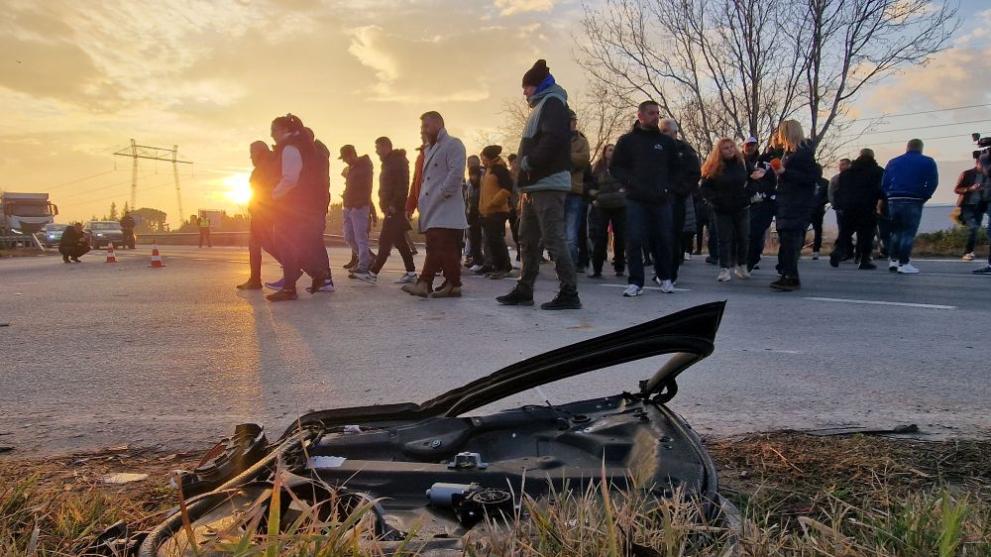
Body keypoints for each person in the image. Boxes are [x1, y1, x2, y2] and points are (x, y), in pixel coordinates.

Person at [497, 59, 581, 310]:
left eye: (527, 87)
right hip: (535, 186)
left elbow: (554, 138)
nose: (524, 92)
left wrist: (530, 162)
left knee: (553, 238)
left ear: (539, 85)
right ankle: (525, 289)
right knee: (527, 238)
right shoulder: (542, 105)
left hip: (547, 183)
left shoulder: (553, 103)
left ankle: (569, 292)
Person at [609, 100, 681, 297]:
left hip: (661, 200)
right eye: (651, 113)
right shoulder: (627, 141)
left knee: (664, 239)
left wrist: (669, 188)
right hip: (635, 199)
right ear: (640, 116)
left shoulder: (666, 143)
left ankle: (665, 278)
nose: (655, 116)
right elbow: (615, 167)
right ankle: (635, 282)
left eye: (657, 113)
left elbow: (677, 169)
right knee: (634, 239)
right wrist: (629, 182)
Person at [402, 111, 468, 298]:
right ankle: (450, 284)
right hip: (432, 207)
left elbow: (456, 173)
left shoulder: (453, 144)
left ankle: (427, 283)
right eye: (422, 127)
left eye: (426, 126)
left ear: (438, 124)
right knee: (439, 247)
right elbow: (421, 181)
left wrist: (440, 194)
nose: (423, 130)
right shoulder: (429, 149)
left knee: (440, 245)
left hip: (445, 206)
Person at [266, 114, 327, 302]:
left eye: (273, 130)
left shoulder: (290, 148)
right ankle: (312, 275)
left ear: (284, 130)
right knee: (290, 243)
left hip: (291, 204)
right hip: (303, 203)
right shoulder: (303, 146)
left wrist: (272, 195)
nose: (271, 135)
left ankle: (292, 287)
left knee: (283, 243)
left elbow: (290, 178)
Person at [769, 120, 821, 291]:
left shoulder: (803, 154)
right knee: (786, 240)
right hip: (787, 201)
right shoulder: (789, 153)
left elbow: (810, 177)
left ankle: (792, 277)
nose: (778, 136)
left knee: (791, 241)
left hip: (796, 204)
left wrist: (785, 173)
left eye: (781, 133)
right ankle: (787, 273)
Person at [700, 138, 757, 282]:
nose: (730, 150)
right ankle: (724, 269)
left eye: (732, 147)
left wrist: (747, 195)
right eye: (726, 148)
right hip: (722, 209)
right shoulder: (713, 166)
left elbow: (754, 180)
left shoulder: (743, 163)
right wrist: (715, 200)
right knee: (724, 239)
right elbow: (705, 187)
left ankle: (742, 265)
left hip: (741, 206)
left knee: (743, 237)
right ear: (719, 152)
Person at [882, 138, 938, 274]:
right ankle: (904, 263)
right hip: (913, 199)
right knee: (908, 232)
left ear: (907, 147)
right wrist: (925, 196)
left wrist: (889, 195)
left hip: (894, 199)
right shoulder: (928, 161)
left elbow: (884, 182)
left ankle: (893, 261)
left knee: (896, 232)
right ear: (921, 148)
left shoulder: (893, 161)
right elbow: (933, 182)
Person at [369, 137, 417, 284]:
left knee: (385, 241)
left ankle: (372, 272)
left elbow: (403, 184)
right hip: (390, 207)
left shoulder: (397, 161)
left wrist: (395, 204)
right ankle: (411, 272)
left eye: (378, 148)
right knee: (400, 242)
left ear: (386, 147)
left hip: (394, 208)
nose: (376, 151)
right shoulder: (389, 162)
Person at [659, 118, 700, 285]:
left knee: (674, 236)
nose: (663, 135)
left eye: (666, 132)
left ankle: (672, 273)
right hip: (658, 199)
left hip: (677, 199)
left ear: (675, 133)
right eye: (661, 132)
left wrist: (681, 190)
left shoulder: (686, 150)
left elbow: (694, 174)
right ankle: (661, 269)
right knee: (659, 237)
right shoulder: (656, 149)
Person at [830, 149, 884, 270]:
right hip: (867, 207)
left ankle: (838, 251)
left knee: (845, 232)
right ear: (872, 157)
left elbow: (839, 191)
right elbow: (881, 190)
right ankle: (864, 260)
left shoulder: (847, 173)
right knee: (866, 235)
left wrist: (839, 205)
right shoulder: (877, 171)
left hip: (848, 207)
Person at [238, 141, 281, 290]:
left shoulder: (265, 167)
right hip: (264, 211)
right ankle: (255, 278)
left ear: (259, 151)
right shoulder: (269, 164)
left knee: (262, 243)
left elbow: (262, 191)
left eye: (252, 153)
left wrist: (257, 207)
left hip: (263, 212)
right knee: (263, 243)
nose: (250, 156)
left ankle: (292, 267)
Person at [587, 143, 626, 278]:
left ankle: (619, 267)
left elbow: (627, 182)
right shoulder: (598, 168)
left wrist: (623, 193)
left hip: (619, 205)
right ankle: (597, 268)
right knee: (600, 237)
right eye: (609, 150)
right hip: (602, 206)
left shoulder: (622, 167)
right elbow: (591, 185)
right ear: (604, 152)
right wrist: (594, 195)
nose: (611, 152)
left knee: (620, 236)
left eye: (614, 150)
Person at [478, 145, 515, 279]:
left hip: (497, 211)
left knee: (496, 240)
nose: (482, 160)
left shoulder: (500, 169)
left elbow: (507, 189)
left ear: (490, 157)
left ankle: (503, 267)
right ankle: (496, 266)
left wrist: (493, 202)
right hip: (487, 212)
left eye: (484, 158)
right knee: (491, 241)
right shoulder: (489, 170)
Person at [340, 144, 375, 281]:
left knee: (361, 238)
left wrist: (360, 203)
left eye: (345, 158)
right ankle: (368, 258)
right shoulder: (353, 168)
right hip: (349, 206)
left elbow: (366, 187)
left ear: (351, 154)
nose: (344, 161)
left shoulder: (364, 167)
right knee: (348, 237)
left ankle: (364, 265)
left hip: (359, 206)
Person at [743, 137, 776, 272]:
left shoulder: (762, 160)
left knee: (756, 232)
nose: (750, 147)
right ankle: (742, 258)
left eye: (753, 145)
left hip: (760, 201)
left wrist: (761, 192)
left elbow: (768, 180)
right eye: (748, 145)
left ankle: (752, 259)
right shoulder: (739, 160)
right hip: (744, 200)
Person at [566, 110, 591, 273]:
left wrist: (564, 157)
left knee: (571, 233)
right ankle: (563, 263)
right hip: (556, 190)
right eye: (570, 120)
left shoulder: (581, 141)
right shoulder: (554, 139)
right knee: (558, 233)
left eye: (574, 120)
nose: (574, 123)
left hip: (574, 191)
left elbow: (583, 159)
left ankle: (572, 264)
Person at [955, 154, 987, 262]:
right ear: (977, 163)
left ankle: (969, 251)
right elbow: (957, 189)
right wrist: (970, 189)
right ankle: (967, 252)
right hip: (967, 205)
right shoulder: (967, 174)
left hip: (980, 206)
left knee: (976, 229)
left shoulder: (987, 175)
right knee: (973, 227)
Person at [827, 158, 854, 261]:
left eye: (843, 164)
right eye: (840, 164)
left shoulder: (853, 178)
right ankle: (847, 251)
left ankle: (844, 250)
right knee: (843, 230)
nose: (841, 166)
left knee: (846, 231)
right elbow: (831, 193)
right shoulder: (835, 179)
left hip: (852, 208)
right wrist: (835, 205)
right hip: (840, 208)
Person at [465, 154, 485, 271]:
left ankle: (481, 261)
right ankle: (475, 258)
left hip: (480, 209)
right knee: (472, 236)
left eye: (472, 162)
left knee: (480, 237)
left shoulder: (482, 174)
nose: (470, 165)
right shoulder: (470, 178)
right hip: (471, 210)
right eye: (469, 163)